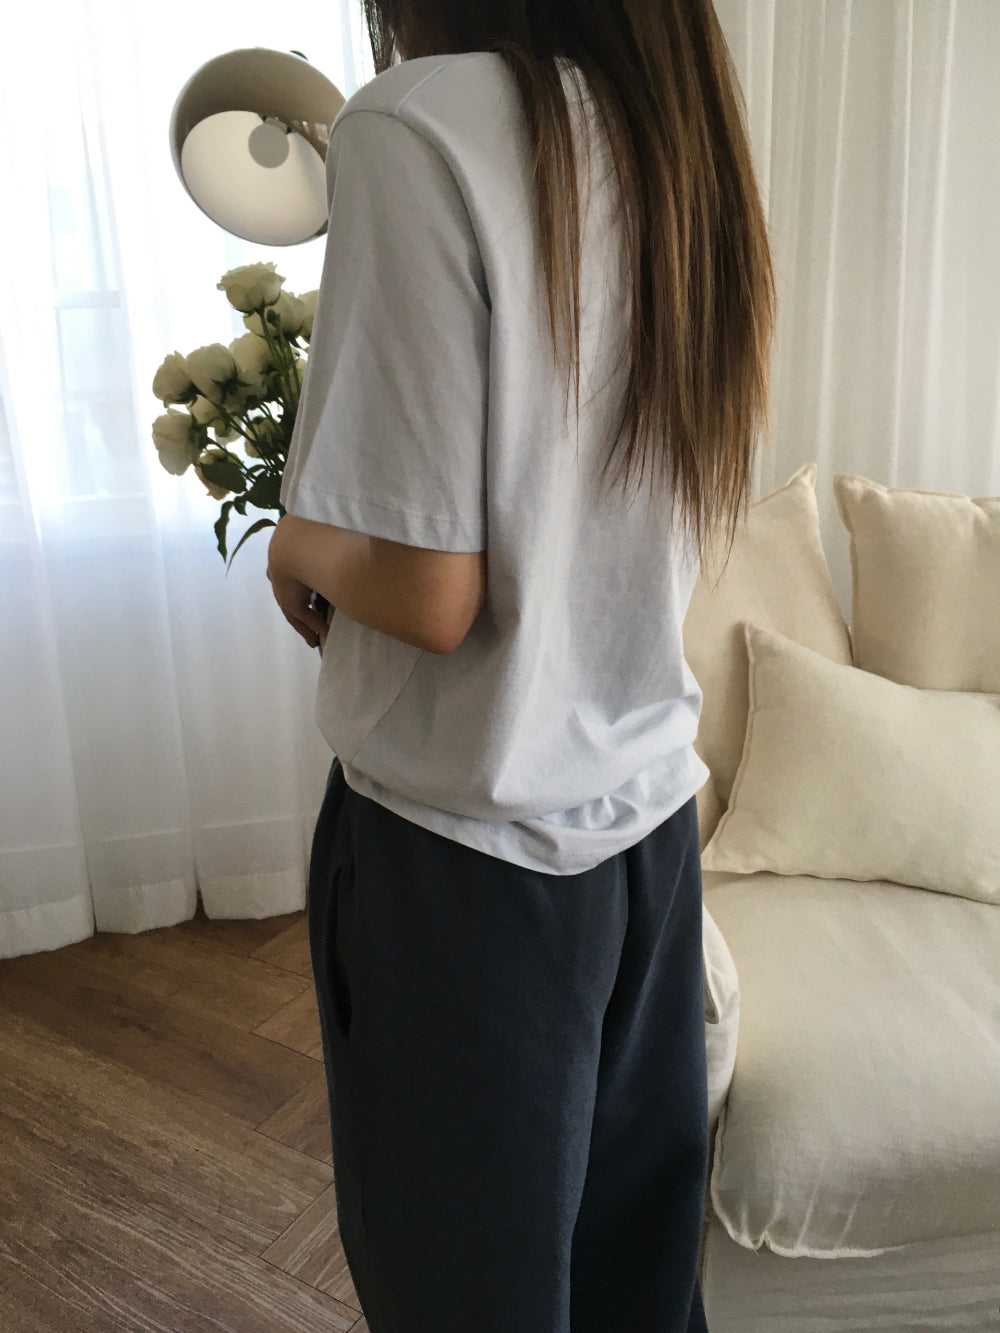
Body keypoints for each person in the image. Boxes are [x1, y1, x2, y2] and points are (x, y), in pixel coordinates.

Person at [266, 2, 775, 1329]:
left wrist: (298, 543)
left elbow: (431, 593)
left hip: (466, 869)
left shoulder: (416, 125)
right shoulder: (674, 142)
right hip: (649, 840)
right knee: (637, 1297)